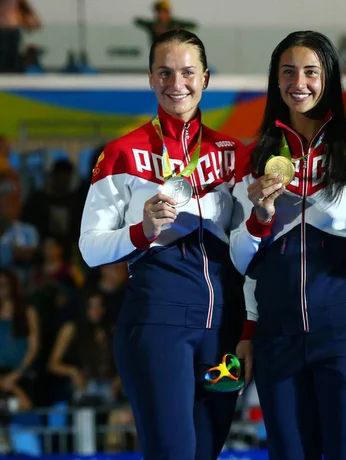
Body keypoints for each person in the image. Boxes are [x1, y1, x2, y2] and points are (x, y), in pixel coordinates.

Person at [79, 29, 244, 460]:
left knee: (206, 452)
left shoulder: (234, 152)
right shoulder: (122, 152)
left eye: (188, 72)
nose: (177, 84)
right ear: (151, 78)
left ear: (205, 78)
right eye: (165, 73)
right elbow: (90, 248)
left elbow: (248, 244)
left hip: (223, 333)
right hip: (157, 325)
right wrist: (141, 231)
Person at [230, 31, 346, 460]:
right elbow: (242, 261)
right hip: (278, 340)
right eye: (288, 71)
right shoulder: (252, 159)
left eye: (311, 71)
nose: (299, 82)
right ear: (275, 81)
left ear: (329, 77)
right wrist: (260, 218)